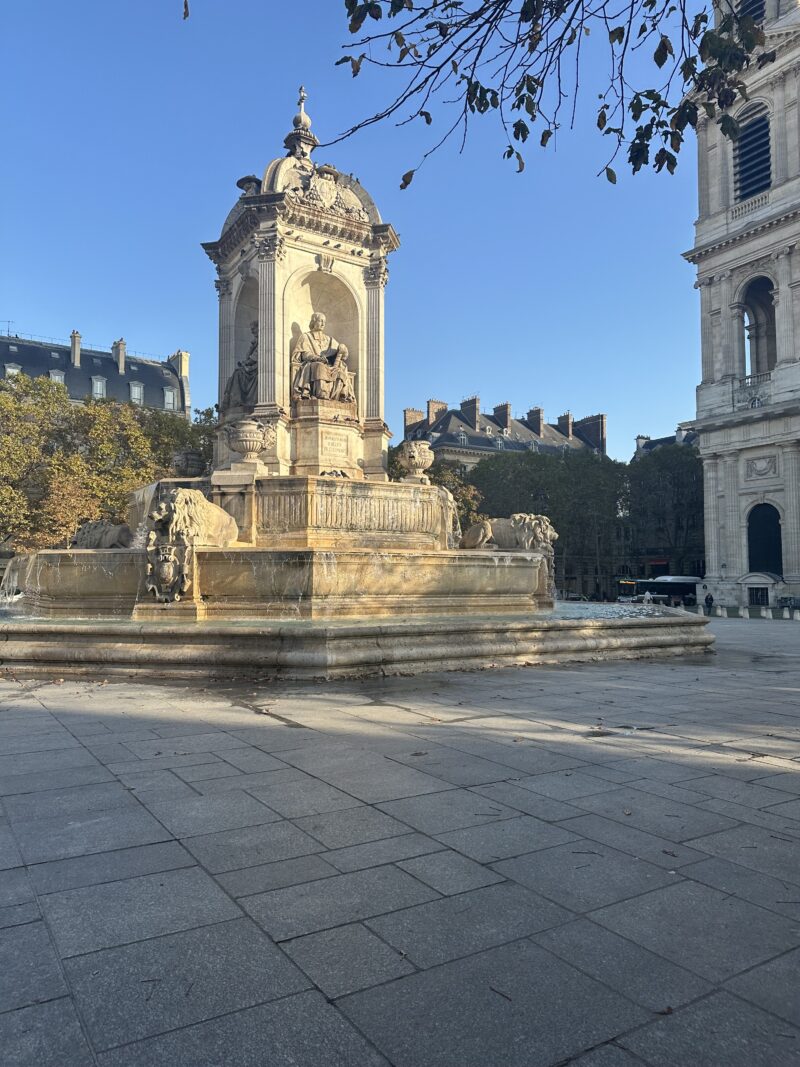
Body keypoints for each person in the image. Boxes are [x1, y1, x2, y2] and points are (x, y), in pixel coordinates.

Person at [291, 312, 355, 403]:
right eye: (320, 321)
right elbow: (304, 355)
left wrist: (343, 349)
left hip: (329, 365)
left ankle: (340, 396)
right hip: (313, 363)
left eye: (324, 321)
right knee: (319, 366)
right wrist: (317, 358)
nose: (323, 323)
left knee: (340, 371)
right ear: (314, 322)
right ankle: (321, 394)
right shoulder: (306, 337)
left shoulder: (329, 339)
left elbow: (344, 355)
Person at [222, 321, 258, 410]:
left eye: (253, 329)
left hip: (257, 369)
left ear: (259, 328)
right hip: (252, 368)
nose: (252, 331)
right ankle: (232, 400)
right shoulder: (256, 342)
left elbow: (256, 356)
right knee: (236, 374)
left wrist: (246, 363)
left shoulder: (262, 341)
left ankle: (234, 401)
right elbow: (249, 357)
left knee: (238, 373)